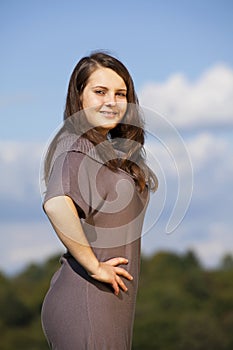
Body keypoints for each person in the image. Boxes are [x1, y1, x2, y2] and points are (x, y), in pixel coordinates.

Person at [41, 51, 158, 350]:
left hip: (110, 301)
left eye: (121, 94)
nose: (112, 101)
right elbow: (56, 203)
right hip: (88, 296)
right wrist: (94, 267)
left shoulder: (106, 150)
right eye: (100, 92)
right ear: (79, 96)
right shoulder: (76, 144)